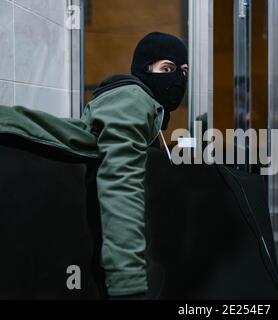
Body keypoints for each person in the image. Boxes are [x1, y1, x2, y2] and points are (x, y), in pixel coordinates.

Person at [0, 32, 189, 299]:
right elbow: (121, 184)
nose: (179, 79)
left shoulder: (144, 114)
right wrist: (128, 285)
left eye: (184, 72)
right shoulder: (134, 100)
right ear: (145, 70)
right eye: (168, 69)